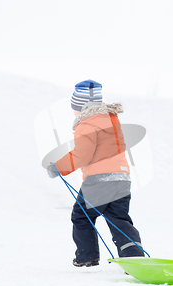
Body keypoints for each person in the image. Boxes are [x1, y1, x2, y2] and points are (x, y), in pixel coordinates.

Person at [46, 79, 144, 267]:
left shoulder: (87, 123)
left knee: (81, 216)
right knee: (119, 219)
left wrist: (59, 167)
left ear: (80, 105)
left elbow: (82, 154)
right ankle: (134, 257)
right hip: (122, 178)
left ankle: (86, 257)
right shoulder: (111, 121)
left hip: (100, 181)